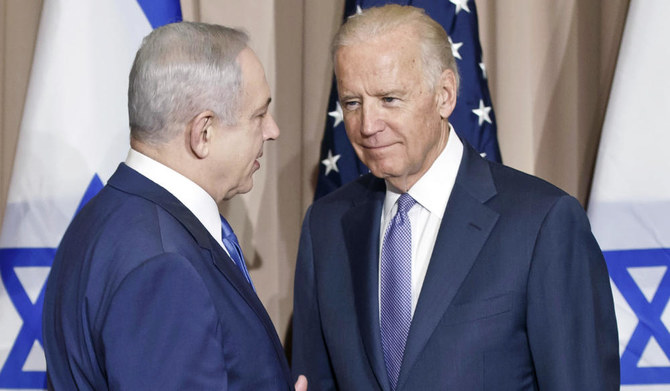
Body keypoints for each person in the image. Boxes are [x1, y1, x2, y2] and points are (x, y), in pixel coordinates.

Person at [292, 5, 619, 390]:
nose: (368, 125)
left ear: (445, 95)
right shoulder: (326, 225)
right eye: (352, 103)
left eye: (389, 99)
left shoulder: (542, 223)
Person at [43, 22, 307, 390]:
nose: (273, 130)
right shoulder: (165, 266)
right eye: (259, 115)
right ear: (204, 133)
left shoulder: (101, 215)